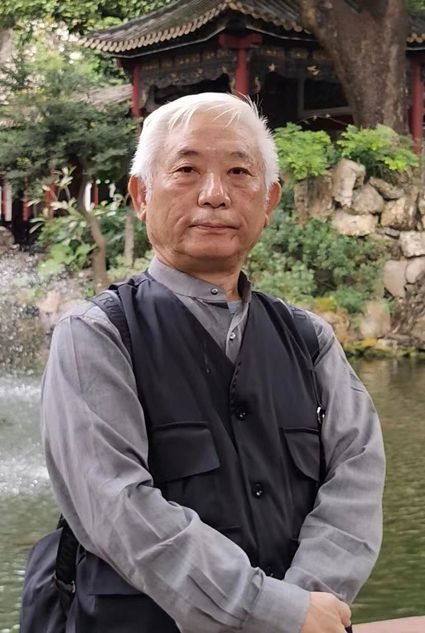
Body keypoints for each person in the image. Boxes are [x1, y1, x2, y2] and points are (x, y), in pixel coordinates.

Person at [41, 92, 385, 633]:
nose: (215, 195)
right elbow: (118, 508)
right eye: (186, 170)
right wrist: (274, 613)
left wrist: (304, 605)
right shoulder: (98, 335)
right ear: (141, 195)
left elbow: (357, 475)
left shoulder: (309, 339)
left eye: (239, 172)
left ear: (268, 201)